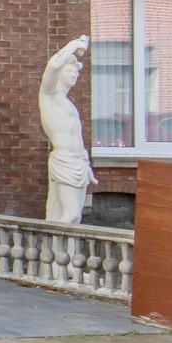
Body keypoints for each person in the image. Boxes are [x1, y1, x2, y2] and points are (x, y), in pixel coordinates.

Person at [40, 35, 100, 224]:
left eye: (76, 71)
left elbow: (77, 139)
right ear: (60, 73)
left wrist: (86, 164)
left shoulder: (69, 104)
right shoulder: (48, 96)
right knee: (71, 214)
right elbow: (52, 65)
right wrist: (74, 45)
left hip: (79, 163)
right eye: (69, 70)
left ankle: (66, 252)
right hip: (65, 162)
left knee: (74, 217)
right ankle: (59, 251)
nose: (75, 74)